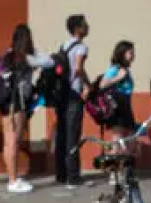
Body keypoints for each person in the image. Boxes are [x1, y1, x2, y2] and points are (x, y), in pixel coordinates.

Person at [0, 24, 53, 194]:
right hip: (18, 102)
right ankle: (13, 181)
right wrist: (33, 51)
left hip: (4, 102)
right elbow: (49, 61)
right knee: (14, 141)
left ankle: (11, 177)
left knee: (8, 141)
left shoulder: (7, 55)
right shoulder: (27, 58)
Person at [54, 14, 90, 189]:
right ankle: (73, 177)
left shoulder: (64, 46)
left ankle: (61, 174)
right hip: (74, 94)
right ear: (78, 28)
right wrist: (88, 85)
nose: (87, 27)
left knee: (62, 133)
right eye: (84, 25)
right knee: (72, 135)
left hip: (62, 95)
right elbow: (78, 68)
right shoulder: (81, 47)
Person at [100, 41, 137, 155]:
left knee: (130, 138)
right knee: (117, 140)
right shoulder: (115, 69)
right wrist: (118, 77)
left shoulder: (125, 70)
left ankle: (123, 167)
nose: (133, 55)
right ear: (122, 53)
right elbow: (102, 85)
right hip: (117, 107)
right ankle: (113, 169)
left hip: (125, 105)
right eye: (130, 52)